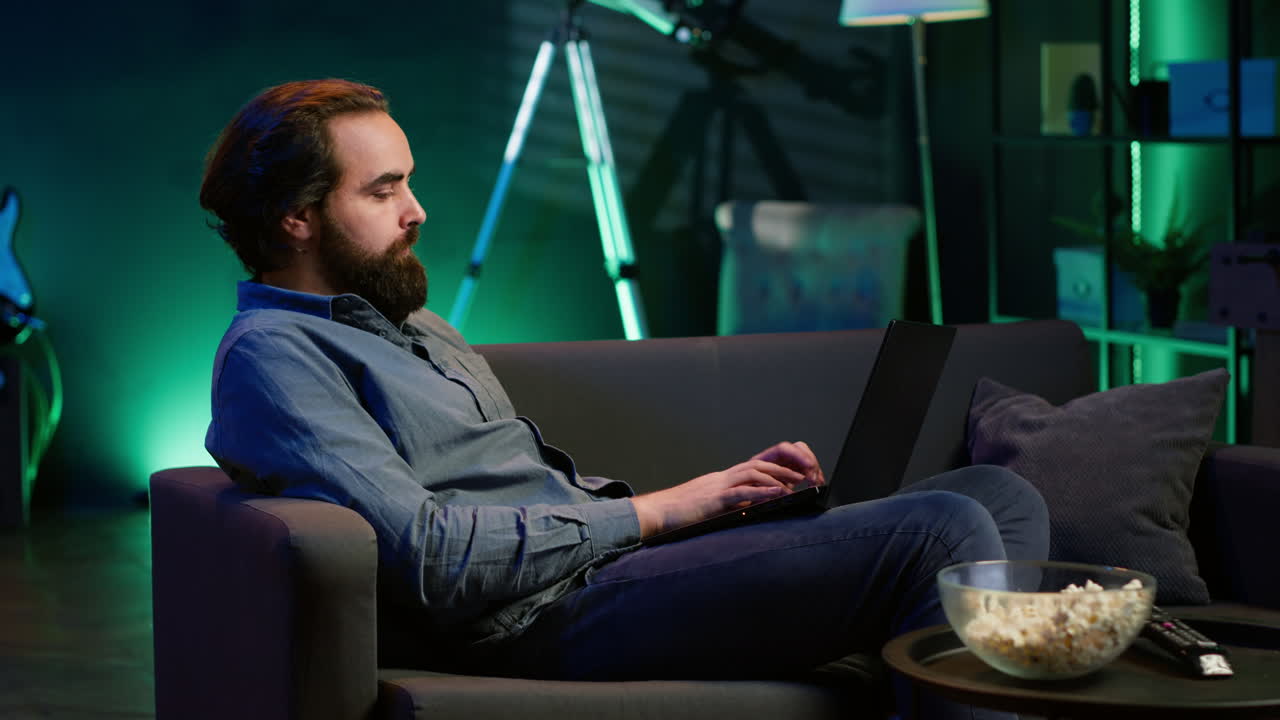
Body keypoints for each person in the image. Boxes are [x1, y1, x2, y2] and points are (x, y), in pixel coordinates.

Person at [201, 78, 1048, 719]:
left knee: (999, 495)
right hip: (536, 620)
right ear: (297, 217)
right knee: (943, 532)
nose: (416, 211)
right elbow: (429, 560)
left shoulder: (414, 320)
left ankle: (876, 653)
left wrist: (711, 512)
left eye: (408, 184)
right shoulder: (274, 356)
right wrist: (665, 510)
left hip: (602, 571)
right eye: (383, 191)